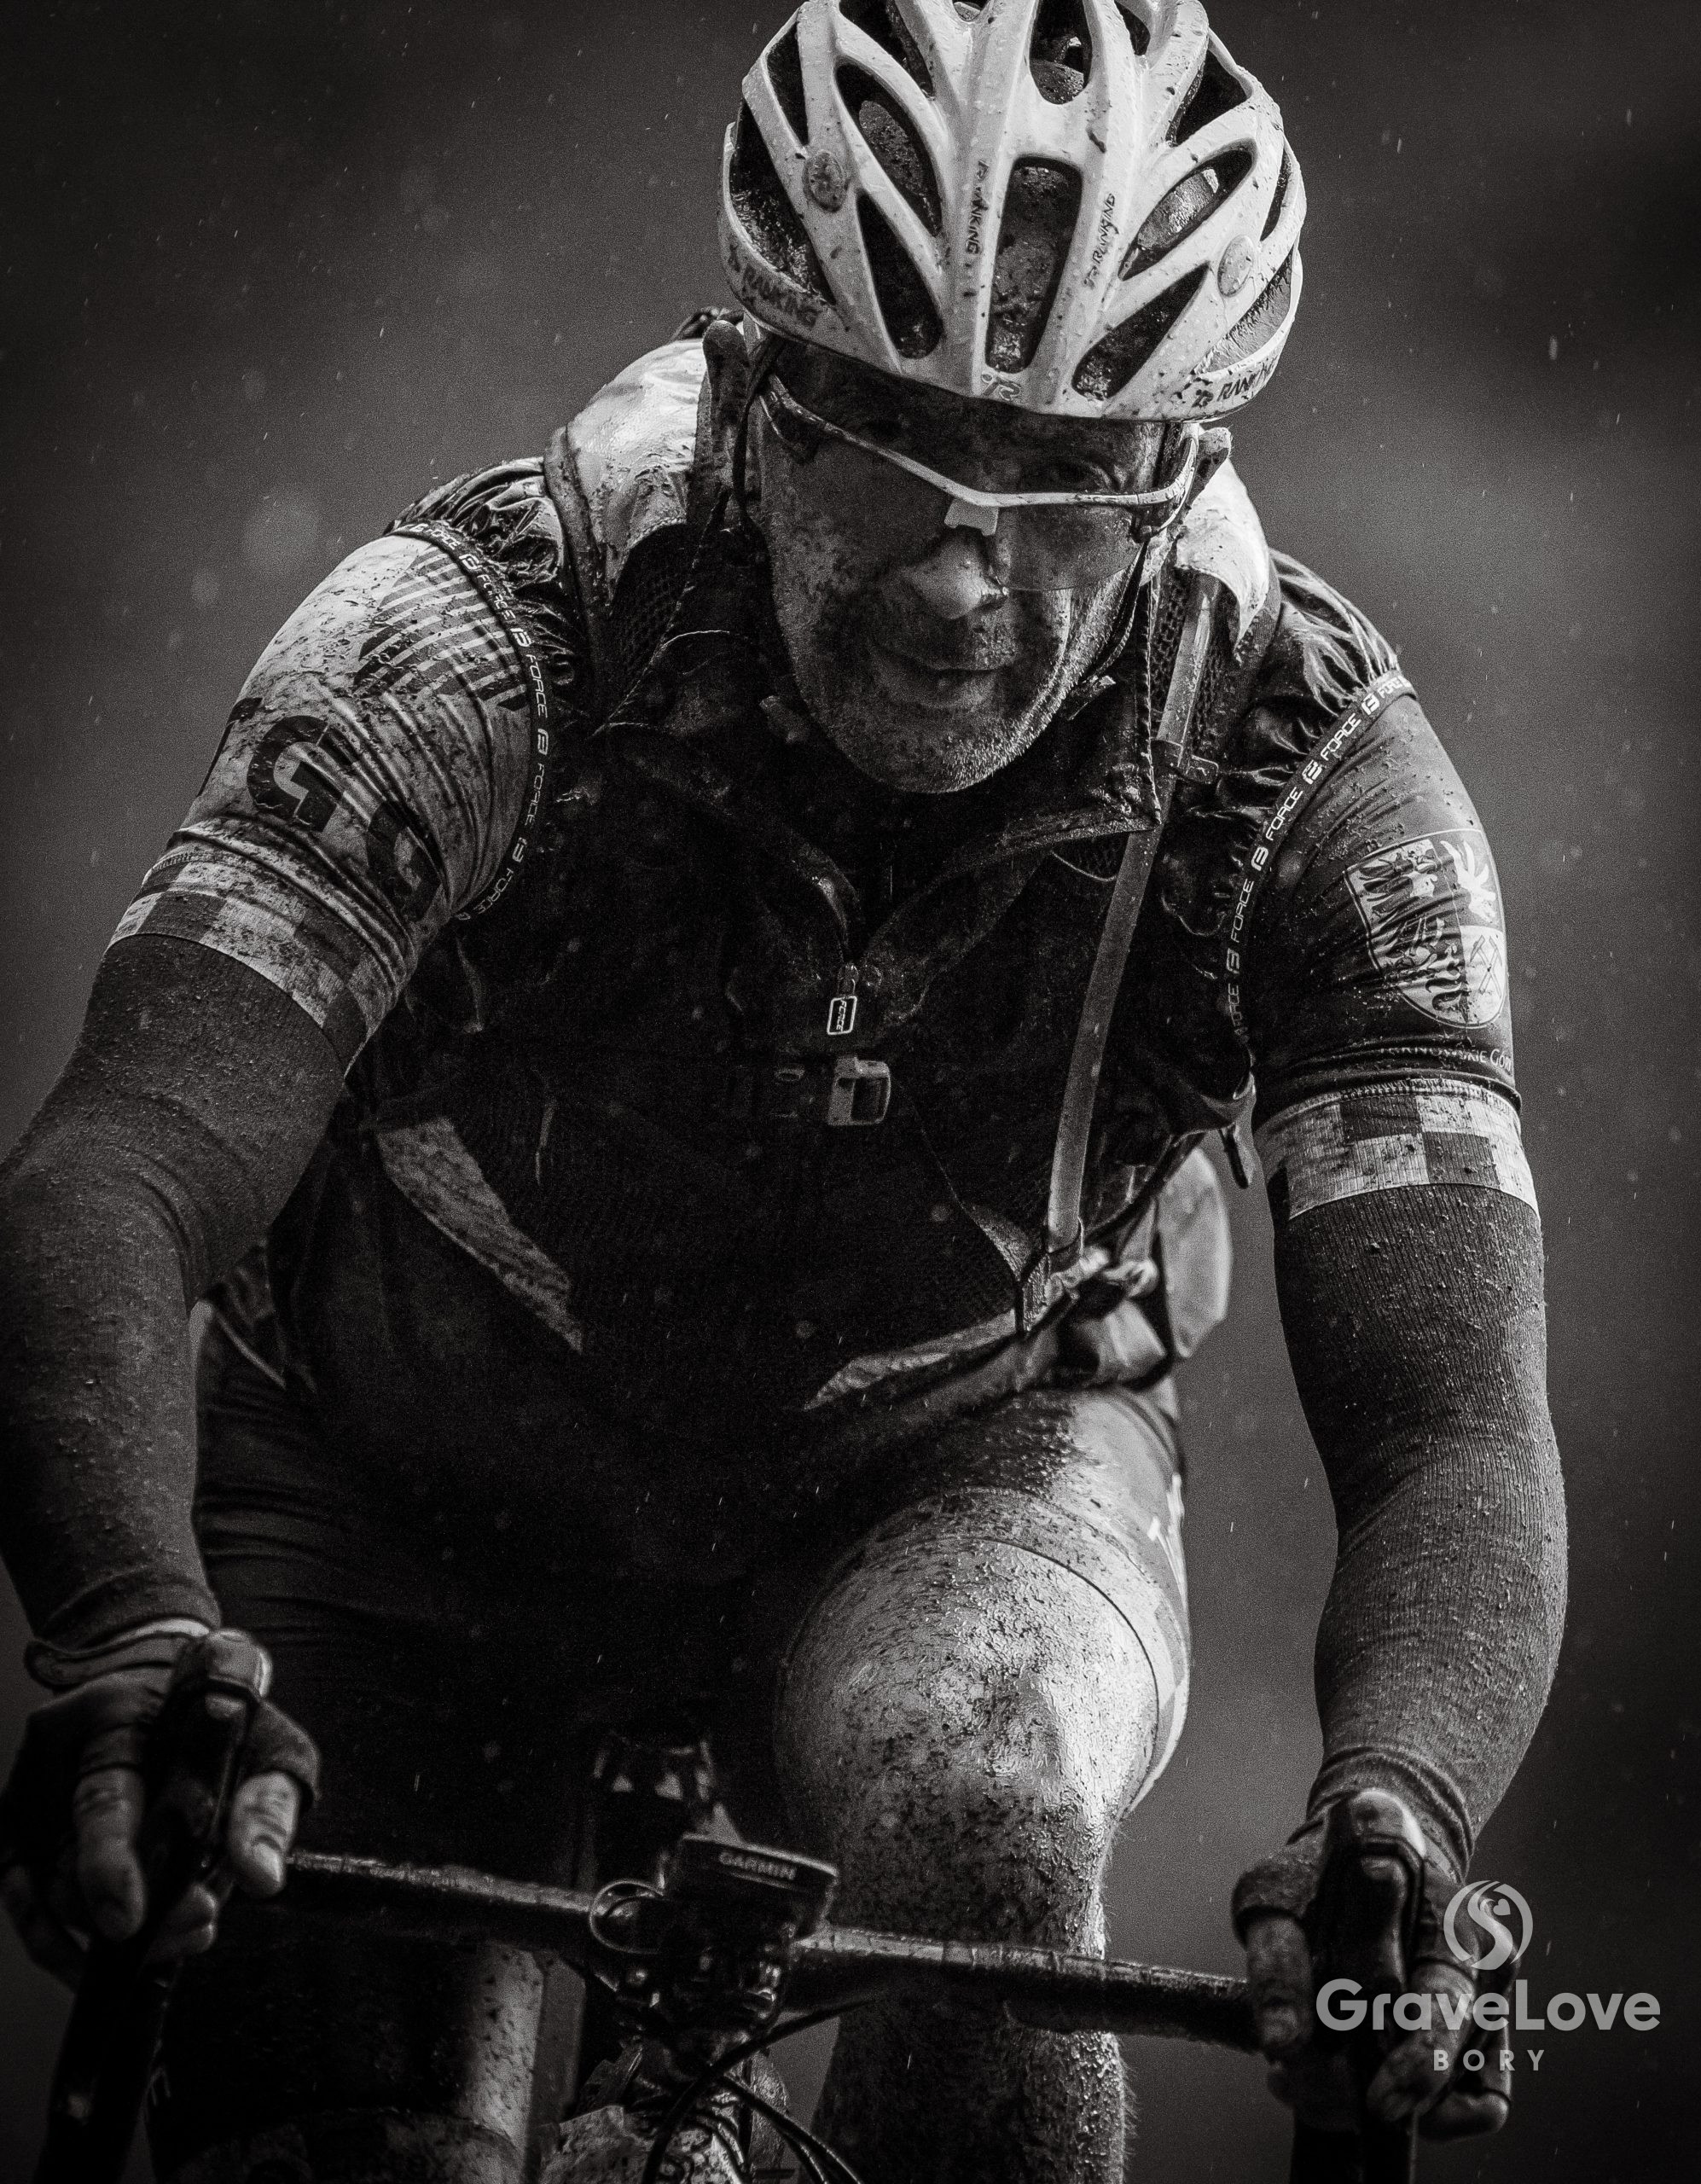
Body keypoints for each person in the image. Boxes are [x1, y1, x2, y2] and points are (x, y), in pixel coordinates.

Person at [0, 2, 1565, 2179]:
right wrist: (133, 1634)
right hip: (401, 1471)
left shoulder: (1315, 783)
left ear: (1183, 473)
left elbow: (1450, 1423)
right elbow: (124, 1170)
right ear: (747, 389)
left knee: (982, 1810)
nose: (959, 573)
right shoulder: (469, 639)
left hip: (949, 1462)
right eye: (886, 446)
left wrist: (1398, 1804)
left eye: (1062, 487)